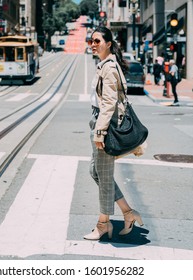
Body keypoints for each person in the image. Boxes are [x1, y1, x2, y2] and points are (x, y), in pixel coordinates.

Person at [84, 26, 144, 241]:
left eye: (97, 41)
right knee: (96, 172)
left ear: (108, 43)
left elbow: (109, 103)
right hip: (99, 122)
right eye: (91, 41)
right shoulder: (104, 65)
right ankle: (128, 213)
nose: (93, 44)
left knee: (104, 175)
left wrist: (99, 132)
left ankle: (103, 224)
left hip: (105, 126)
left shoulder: (109, 67)